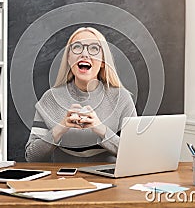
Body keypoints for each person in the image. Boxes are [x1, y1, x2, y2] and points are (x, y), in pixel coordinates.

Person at [25, 27, 137, 162]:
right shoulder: (50, 99)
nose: (84, 54)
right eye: (77, 47)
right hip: (64, 179)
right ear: (68, 58)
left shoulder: (121, 99)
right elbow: (32, 157)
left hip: (108, 179)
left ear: (103, 61)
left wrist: (101, 129)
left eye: (94, 49)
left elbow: (134, 154)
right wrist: (60, 128)